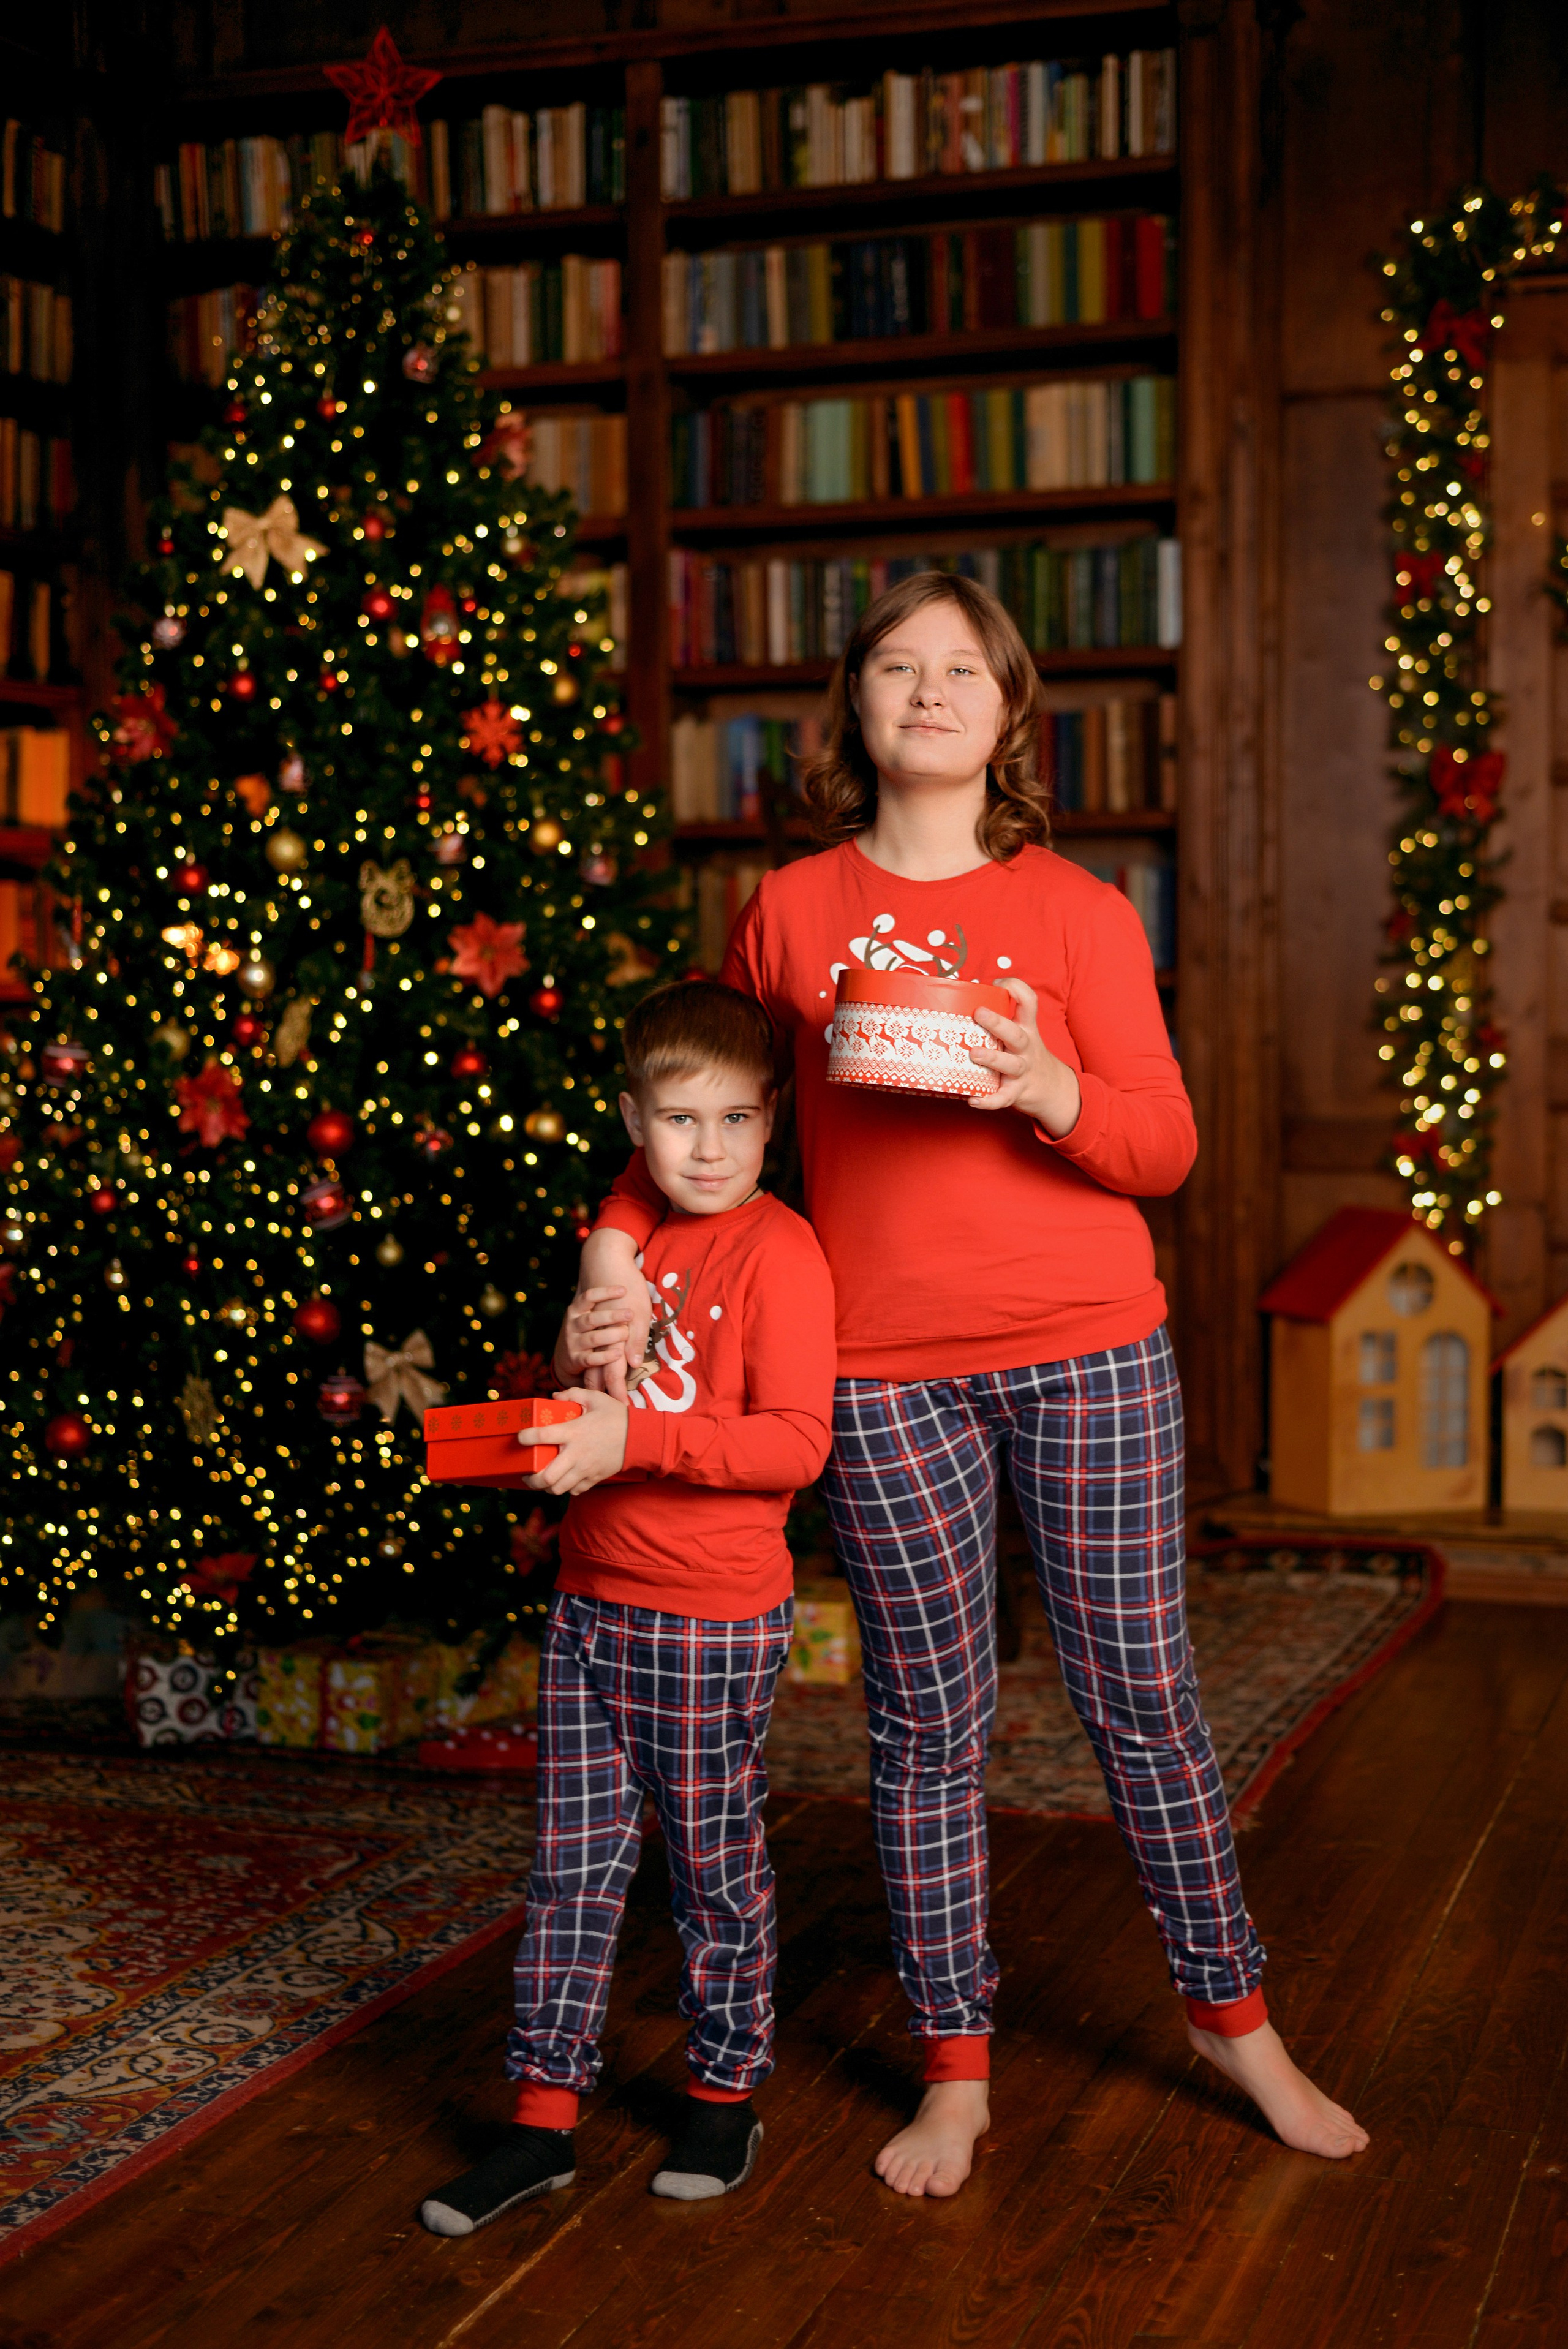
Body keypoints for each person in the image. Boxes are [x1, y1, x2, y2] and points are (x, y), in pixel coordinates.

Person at [568, 571, 1369, 2201]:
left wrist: (1050, 1081)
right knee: (926, 1723)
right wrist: (608, 1248)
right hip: (879, 1379)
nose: (927, 690)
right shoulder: (787, 913)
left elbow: (1164, 1141)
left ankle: (1237, 2020)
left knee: (1140, 1702)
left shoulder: (1076, 912)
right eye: (894, 663)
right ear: (855, 701)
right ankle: (955, 2063)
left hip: (1091, 1352)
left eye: (961, 669)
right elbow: (697, 1127)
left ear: (1009, 713)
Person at [420, 981, 835, 2236]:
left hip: (711, 1614)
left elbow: (794, 1442)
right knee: (569, 1871)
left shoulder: (783, 1253)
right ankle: (540, 2118)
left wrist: (632, 1437)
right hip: (592, 1600)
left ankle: (724, 2091)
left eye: (736, 1121)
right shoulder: (633, 1232)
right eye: (677, 1122)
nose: (706, 1149)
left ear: (772, 1126)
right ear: (630, 1122)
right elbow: (595, 1389)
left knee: (714, 1868)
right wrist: (563, 1360)